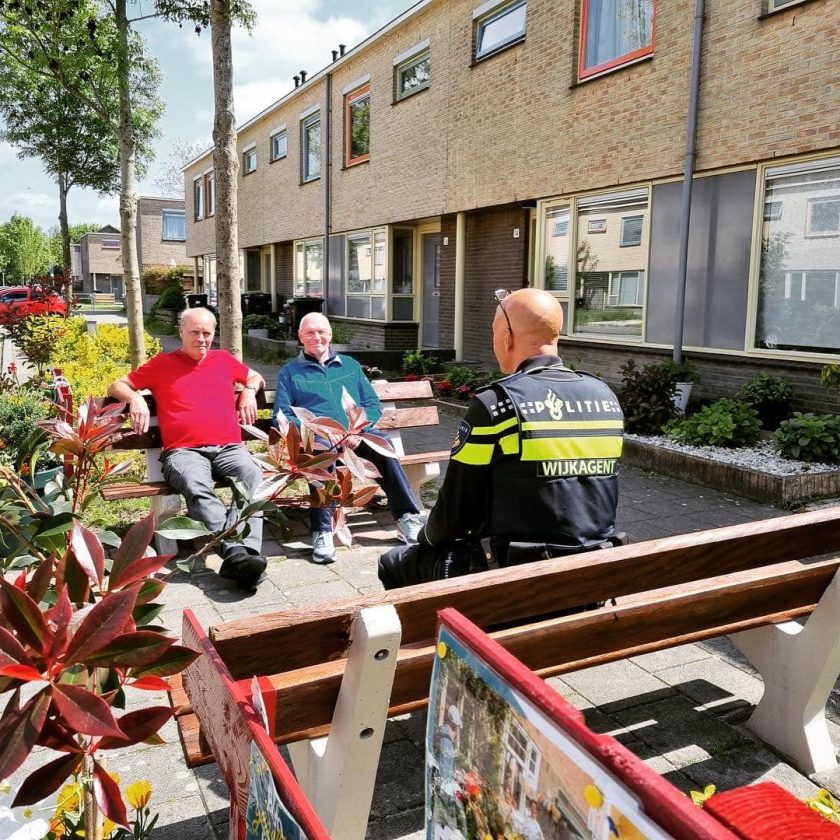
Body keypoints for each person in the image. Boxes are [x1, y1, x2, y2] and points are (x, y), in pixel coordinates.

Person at [378, 287, 624, 589]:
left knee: (393, 563)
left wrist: (423, 535)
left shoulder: (497, 404)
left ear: (507, 336)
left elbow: (455, 513)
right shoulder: (605, 398)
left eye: (494, 332)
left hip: (517, 578)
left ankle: (450, 636)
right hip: (593, 572)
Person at [107, 306, 268, 593]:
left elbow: (255, 377)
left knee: (253, 476)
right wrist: (135, 398)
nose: (202, 338)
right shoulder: (162, 364)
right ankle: (238, 553)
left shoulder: (223, 360)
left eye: (207, 333)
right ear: (181, 332)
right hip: (184, 452)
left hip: (229, 448)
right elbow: (116, 384)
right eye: (194, 332)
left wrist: (247, 390)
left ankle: (241, 556)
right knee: (197, 485)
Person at [272, 312, 426, 564]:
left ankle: (406, 518)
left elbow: (371, 403)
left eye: (321, 331)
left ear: (330, 334)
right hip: (321, 439)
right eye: (310, 332)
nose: (317, 337)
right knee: (320, 458)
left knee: (384, 449)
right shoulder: (290, 373)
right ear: (301, 337)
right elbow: (283, 414)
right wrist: (320, 432)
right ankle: (322, 530)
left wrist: (357, 430)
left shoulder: (350, 366)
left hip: (356, 433)